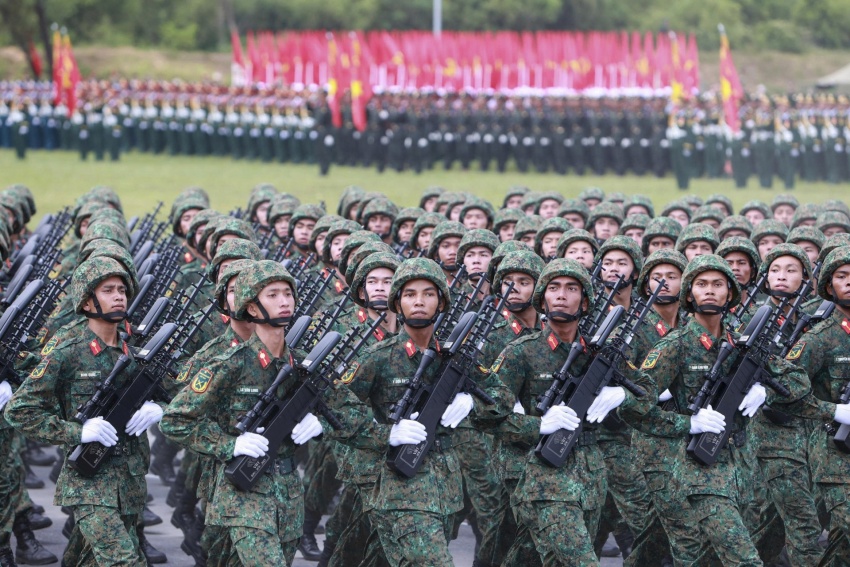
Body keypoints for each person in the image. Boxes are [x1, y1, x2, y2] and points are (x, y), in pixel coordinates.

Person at [161, 260, 367, 565]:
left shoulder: (302, 366)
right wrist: (229, 445)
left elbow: (353, 414)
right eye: (272, 295)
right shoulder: (230, 363)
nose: (284, 301)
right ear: (252, 308)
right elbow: (174, 421)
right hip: (242, 495)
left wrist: (321, 423)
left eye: (287, 293)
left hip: (287, 495)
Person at [634, 254, 810, 566]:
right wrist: (688, 423)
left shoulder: (745, 341)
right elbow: (634, 409)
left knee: (707, 559)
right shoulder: (674, 346)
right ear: (689, 293)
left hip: (744, 468)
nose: (710, 290)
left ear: (730, 293)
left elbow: (798, 381)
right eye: (702, 284)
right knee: (744, 559)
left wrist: (765, 390)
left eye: (718, 284)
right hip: (697, 470)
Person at [488, 258, 655, 565]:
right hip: (542, 476)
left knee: (541, 558)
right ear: (542, 299)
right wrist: (536, 426)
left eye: (571, 288)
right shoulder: (521, 352)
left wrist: (622, 395)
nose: (562, 295)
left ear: (585, 301)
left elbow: (648, 391)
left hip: (590, 473)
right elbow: (487, 415)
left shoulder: (601, 354)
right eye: (553, 288)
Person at [5, 258, 157, 567]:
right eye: (108, 290)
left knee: (82, 560)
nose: (119, 296)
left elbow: (177, 394)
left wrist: (159, 407)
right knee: (125, 562)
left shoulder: (133, 351)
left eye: (122, 290)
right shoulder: (68, 351)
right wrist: (76, 432)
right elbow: (21, 411)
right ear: (87, 300)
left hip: (130, 483)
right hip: (89, 484)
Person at [787, 245, 850, 566]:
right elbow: (783, 391)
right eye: (842, 276)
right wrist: (832, 411)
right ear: (829, 286)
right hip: (836, 454)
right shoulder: (820, 337)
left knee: (842, 543)